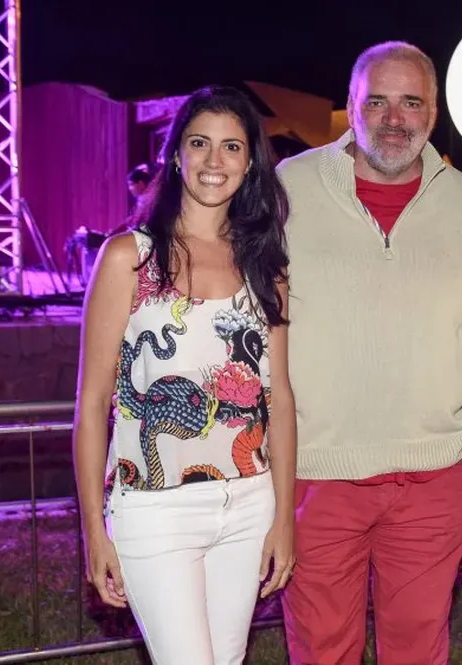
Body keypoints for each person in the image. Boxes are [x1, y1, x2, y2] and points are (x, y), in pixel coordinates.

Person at [276, 41, 462, 664]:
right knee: (322, 649)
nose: (394, 118)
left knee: (418, 647)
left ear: (434, 112)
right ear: (351, 106)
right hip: (315, 471)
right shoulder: (287, 188)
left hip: (437, 473)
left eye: (411, 102)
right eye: (377, 102)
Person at [73, 85, 296, 665]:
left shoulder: (265, 268)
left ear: (250, 164)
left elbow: (280, 399)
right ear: (176, 155)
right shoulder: (130, 258)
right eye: (200, 143)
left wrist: (284, 517)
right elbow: (92, 402)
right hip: (155, 508)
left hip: (249, 505)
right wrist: (94, 531)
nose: (214, 160)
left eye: (231, 147)